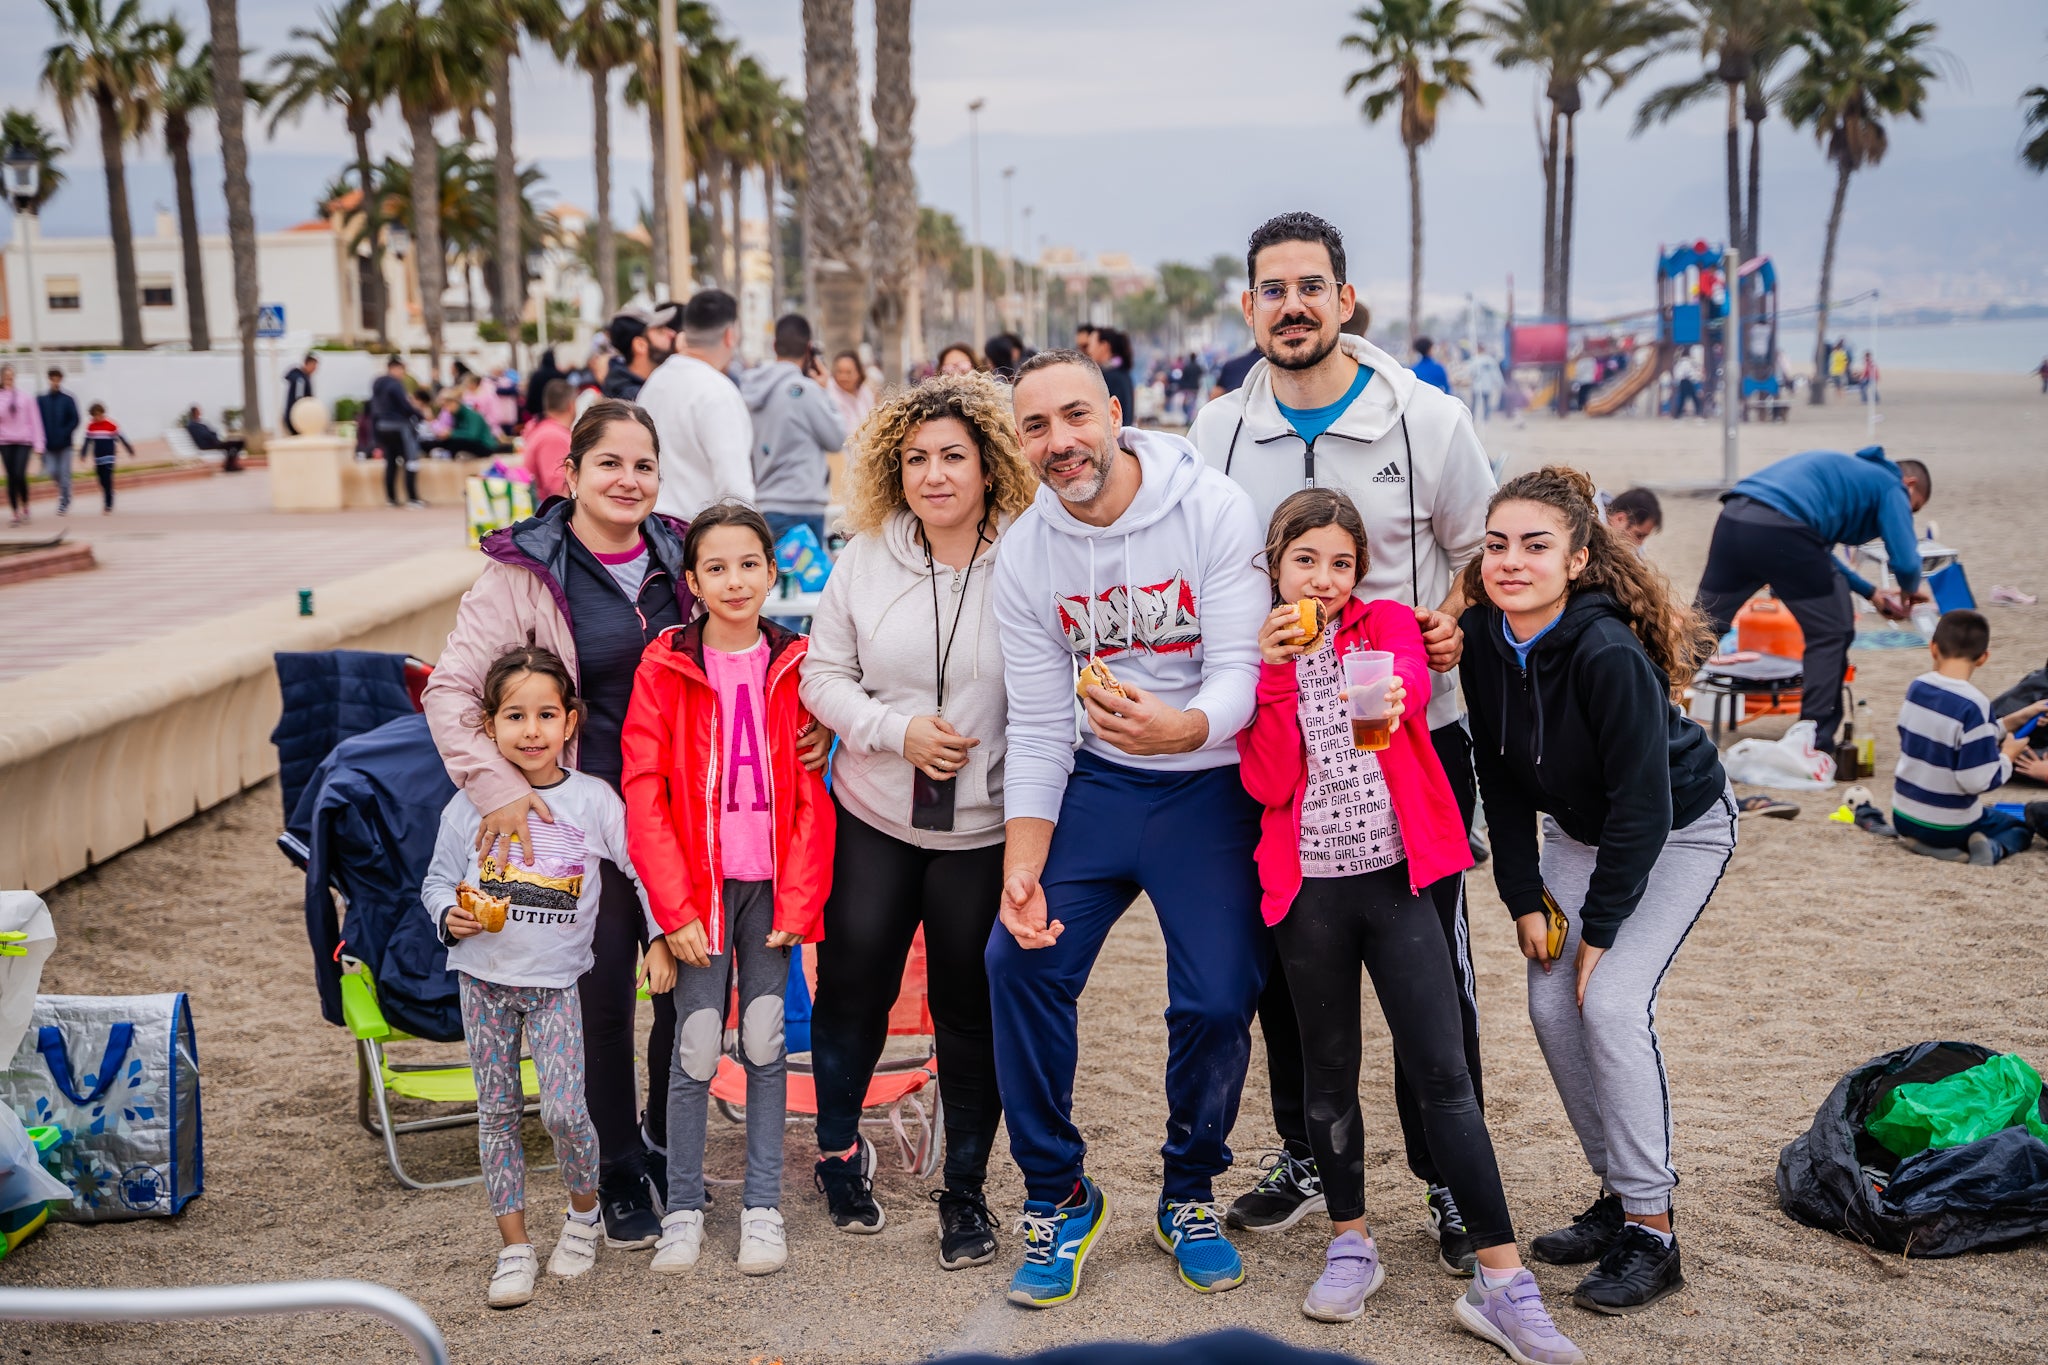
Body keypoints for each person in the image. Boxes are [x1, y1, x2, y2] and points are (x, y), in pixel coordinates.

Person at [1188, 211, 1497, 1271]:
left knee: (1432, 991)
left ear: (1345, 299)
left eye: (1310, 287)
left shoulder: (1425, 419)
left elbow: (1479, 549)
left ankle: (1448, 1183)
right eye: (1271, 290)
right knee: (1287, 976)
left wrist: (1444, 620)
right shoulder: (1217, 429)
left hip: (1407, 747)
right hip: (1274, 753)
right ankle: (1304, 1154)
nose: (1292, 306)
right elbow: (1201, 575)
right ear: (1247, 308)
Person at [1238, 489, 1581, 1361]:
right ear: (1275, 566)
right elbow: (1269, 784)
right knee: (1329, 1075)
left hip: (1398, 884)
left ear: (1361, 572)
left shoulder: (1387, 624)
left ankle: (1503, 1282)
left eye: (1341, 562)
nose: (1323, 577)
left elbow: (1413, 687)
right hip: (1309, 893)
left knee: (1445, 1073)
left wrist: (1388, 684)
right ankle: (1350, 1241)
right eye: (1305, 559)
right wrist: (1275, 674)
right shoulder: (1259, 655)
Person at [988, 349, 1270, 1308]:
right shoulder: (1024, 554)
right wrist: (1021, 868)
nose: (1061, 442)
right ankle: (1059, 1193)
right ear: (1020, 442)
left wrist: (1182, 726)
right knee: (1016, 959)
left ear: (1115, 412)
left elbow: (1240, 672)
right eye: (1036, 427)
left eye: (1076, 416)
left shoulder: (1212, 508)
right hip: (1098, 785)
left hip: (1210, 782)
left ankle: (1188, 1189)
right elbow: (1034, 724)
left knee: (1219, 997)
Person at [424, 402, 701, 1252]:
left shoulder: (681, 558)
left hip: (680, 813)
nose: (629, 480)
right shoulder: (523, 574)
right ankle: (616, 1166)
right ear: (570, 475)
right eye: (609, 464)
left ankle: (662, 1142)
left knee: (688, 990)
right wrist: (501, 792)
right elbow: (449, 691)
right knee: (601, 992)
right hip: (579, 819)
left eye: (644, 465)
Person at [1459, 465, 1734, 1317]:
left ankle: (1653, 1230)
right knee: (1550, 1005)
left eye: (1536, 545)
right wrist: (1521, 894)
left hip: (1676, 827)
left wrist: (1601, 930)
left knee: (1608, 1001)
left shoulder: (1607, 649)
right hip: (1572, 837)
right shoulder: (1479, 638)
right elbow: (1498, 779)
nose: (1512, 561)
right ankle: (1617, 1191)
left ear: (1578, 558)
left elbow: (1646, 805)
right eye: (1497, 544)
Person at [798, 373, 1036, 1268]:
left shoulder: (1028, 552)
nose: (933, 474)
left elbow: (1053, 687)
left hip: (982, 827)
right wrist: (894, 731)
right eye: (914, 459)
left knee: (967, 1007)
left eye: (952, 457)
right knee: (853, 983)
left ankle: (966, 1190)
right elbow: (822, 674)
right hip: (875, 813)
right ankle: (836, 1153)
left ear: (989, 465)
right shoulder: (863, 557)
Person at [620, 499, 836, 1279]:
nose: (735, 579)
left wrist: (802, 900)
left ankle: (763, 1207)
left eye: (750, 563)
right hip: (699, 898)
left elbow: (816, 794)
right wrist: (672, 910)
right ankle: (682, 1205)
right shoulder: (666, 663)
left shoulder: (799, 663)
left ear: (773, 572)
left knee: (769, 1038)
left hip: (772, 893)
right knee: (697, 1044)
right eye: (717, 566)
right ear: (693, 581)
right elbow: (643, 793)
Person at [421, 646, 656, 1308]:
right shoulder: (468, 804)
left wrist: (662, 936)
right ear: (489, 725)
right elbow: (437, 881)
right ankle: (515, 1246)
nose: (531, 730)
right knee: (496, 1113)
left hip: (556, 984)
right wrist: (449, 915)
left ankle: (584, 1214)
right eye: (514, 715)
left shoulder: (591, 800)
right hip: (481, 981)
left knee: (561, 1108)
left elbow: (641, 870)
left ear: (570, 721)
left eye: (545, 714)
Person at [1694, 447, 1933, 758]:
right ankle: (1814, 740)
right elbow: (1907, 561)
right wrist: (1909, 593)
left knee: (1700, 628)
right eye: (1913, 509)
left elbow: (1821, 556)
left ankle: (1649, 709)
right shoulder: (1891, 485)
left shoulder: (1847, 476)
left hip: (1735, 517)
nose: (1907, 514)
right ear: (1910, 484)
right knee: (1832, 630)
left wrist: (1872, 593)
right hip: (1784, 530)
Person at [1890, 610, 2047, 865]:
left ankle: (1925, 846)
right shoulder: (1975, 704)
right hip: (1949, 825)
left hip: (1903, 816)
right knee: (2020, 828)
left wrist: (2020, 717)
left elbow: (1954, 734)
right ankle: (1994, 850)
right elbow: (1977, 780)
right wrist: (2008, 755)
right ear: (1983, 658)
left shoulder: (1917, 687)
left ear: (1933, 648)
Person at [639, 289, 756, 520]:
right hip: (697, 536)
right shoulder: (718, 393)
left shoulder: (654, 383)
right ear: (730, 335)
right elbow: (734, 489)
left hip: (650, 528)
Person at [739, 313, 848, 555]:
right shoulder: (806, 391)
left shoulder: (750, 389)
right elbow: (836, 438)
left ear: (775, 345)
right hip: (804, 505)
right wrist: (825, 390)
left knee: (774, 584)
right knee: (805, 588)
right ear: (809, 349)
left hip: (766, 503)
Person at [369, 356, 428, 508]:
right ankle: (412, 498)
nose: (403, 373)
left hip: (382, 426)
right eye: (402, 369)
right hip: (399, 426)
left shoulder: (377, 384)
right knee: (411, 460)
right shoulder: (395, 385)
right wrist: (420, 415)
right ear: (395, 368)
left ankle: (391, 498)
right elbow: (405, 407)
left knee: (391, 462)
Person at [602, 302, 681, 404]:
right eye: (660, 331)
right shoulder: (636, 398)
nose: (672, 334)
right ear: (640, 345)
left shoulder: (633, 386)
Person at [0, 365, 45, 527]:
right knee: (10, 477)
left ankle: (25, 504)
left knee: (19, 474)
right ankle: (14, 512)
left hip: (23, 441)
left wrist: (39, 445)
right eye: (6, 376)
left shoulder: (25, 398)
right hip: (5, 442)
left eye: (11, 375)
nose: (8, 378)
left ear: (15, 377)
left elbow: (35, 421)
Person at [524, 380, 576, 504]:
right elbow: (558, 488)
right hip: (548, 511)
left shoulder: (542, 428)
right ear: (571, 405)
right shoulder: (554, 437)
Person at [36, 369, 79, 516]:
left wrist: (65, 432)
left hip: (65, 444)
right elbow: (36, 421)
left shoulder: (68, 399)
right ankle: (65, 491)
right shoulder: (42, 400)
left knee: (65, 473)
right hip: (48, 445)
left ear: (60, 380)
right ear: (49, 380)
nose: (55, 382)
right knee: (53, 471)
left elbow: (75, 419)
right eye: (52, 379)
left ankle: (64, 501)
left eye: (57, 379)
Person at [82, 403, 134, 514]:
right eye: (95, 416)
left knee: (107, 478)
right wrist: (83, 454)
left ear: (103, 413)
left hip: (109, 457)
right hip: (98, 458)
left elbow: (122, 437)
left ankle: (108, 504)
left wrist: (129, 449)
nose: (97, 418)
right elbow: (86, 442)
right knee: (101, 480)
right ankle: (109, 492)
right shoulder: (91, 427)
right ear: (92, 416)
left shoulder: (111, 425)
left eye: (99, 415)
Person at [433, 390, 512, 459]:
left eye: (447, 405)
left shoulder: (472, 415)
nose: (446, 409)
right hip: (476, 444)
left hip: (485, 446)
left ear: (454, 402)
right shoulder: (456, 416)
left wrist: (452, 433)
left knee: (456, 443)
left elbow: (472, 435)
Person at [1089, 328, 1139, 428]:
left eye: (1091, 345)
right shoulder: (1122, 373)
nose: (1089, 350)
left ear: (1104, 346)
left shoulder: (1108, 377)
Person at [828, 349, 876, 431]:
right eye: (839, 372)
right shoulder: (829, 393)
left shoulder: (865, 392)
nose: (843, 377)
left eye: (848, 372)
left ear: (858, 373)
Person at [283, 353, 319, 433]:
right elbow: (299, 399)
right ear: (308, 364)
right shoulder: (300, 380)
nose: (315, 369)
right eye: (314, 366)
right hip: (297, 417)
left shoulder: (304, 378)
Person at [1467, 345, 1502, 424]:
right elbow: (1496, 373)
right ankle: (1485, 419)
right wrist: (1500, 383)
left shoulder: (1474, 360)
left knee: (1474, 403)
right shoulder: (1490, 360)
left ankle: (1472, 418)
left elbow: (1469, 372)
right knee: (1486, 403)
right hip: (1487, 386)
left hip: (1477, 386)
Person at [1669, 346, 1703, 419]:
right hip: (1688, 381)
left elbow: (1677, 374)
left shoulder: (1679, 363)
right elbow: (1693, 373)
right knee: (1694, 398)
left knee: (1682, 399)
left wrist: (1676, 382)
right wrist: (1695, 380)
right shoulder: (1689, 362)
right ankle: (1699, 412)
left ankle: (1677, 414)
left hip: (1682, 382)